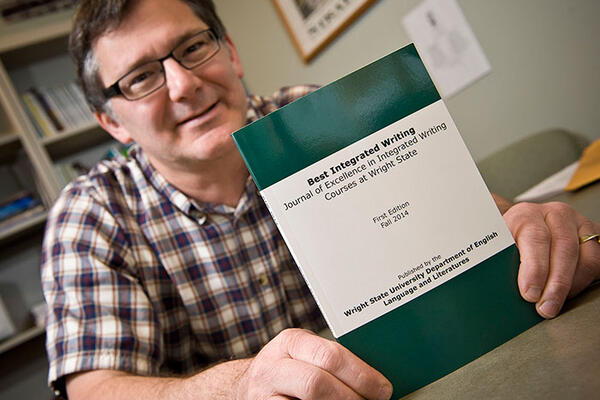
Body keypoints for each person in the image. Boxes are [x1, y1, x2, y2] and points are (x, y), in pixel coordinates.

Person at [41, 0, 600, 399]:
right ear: (111, 123)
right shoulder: (92, 213)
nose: (184, 84)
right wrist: (239, 386)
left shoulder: (312, 117)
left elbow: (479, 221)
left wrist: (535, 233)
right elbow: (93, 386)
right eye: (141, 78)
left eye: (192, 48)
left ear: (229, 51)